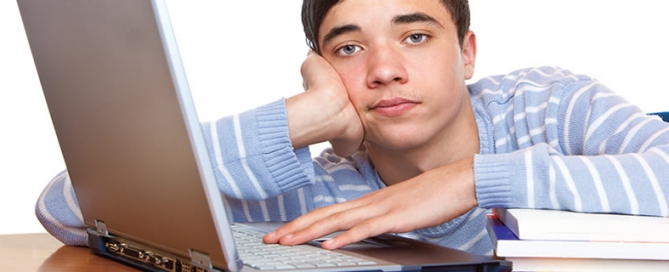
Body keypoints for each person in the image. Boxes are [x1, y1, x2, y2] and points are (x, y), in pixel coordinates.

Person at [36, 0, 669, 257]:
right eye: (348, 50)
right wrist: (297, 120)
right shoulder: (319, 194)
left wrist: (470, 181)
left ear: (467, 53)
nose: (385, 70)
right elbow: (71, 207)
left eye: (415, 36)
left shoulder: (549, 105)